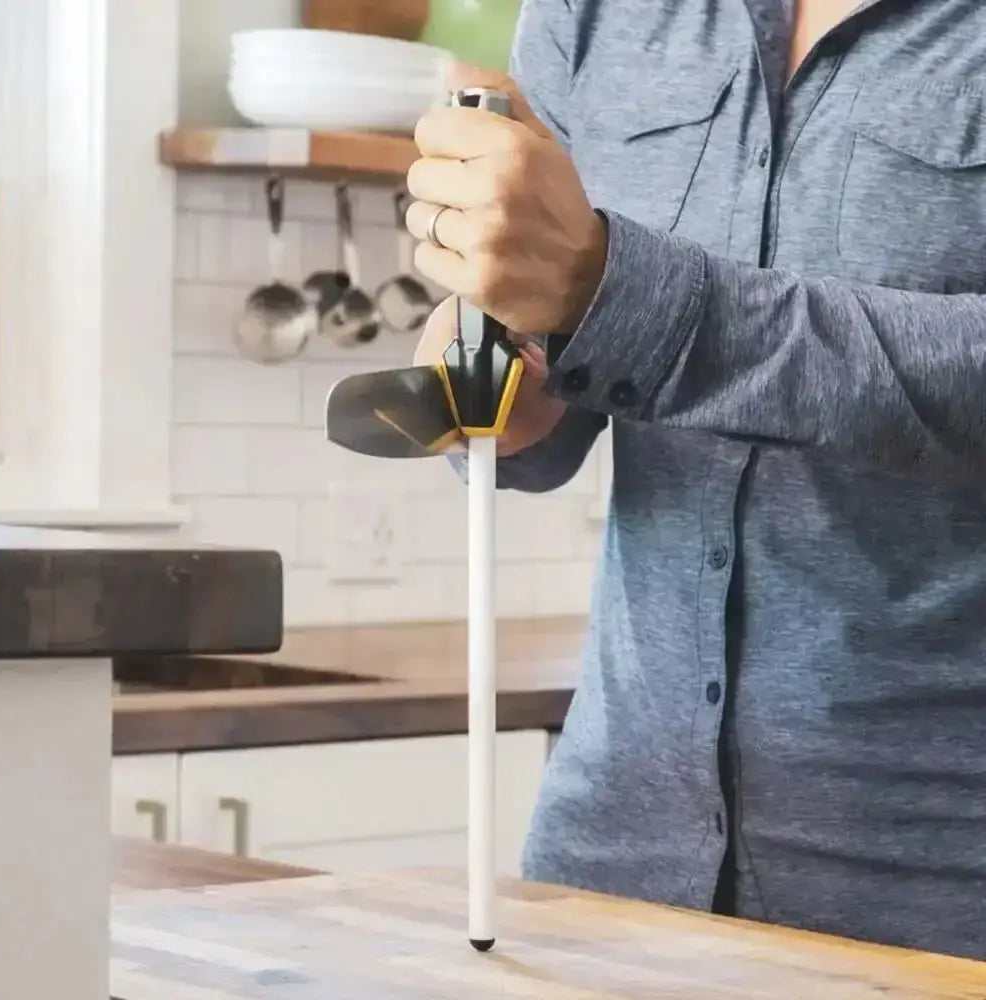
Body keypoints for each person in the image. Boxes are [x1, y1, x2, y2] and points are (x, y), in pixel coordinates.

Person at [406, 0, 986, 961]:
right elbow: (560, 386)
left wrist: (617, 292)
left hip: (939, 891)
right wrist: (505, 383)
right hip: (614, 860)